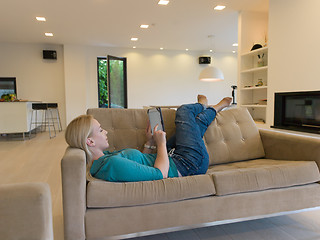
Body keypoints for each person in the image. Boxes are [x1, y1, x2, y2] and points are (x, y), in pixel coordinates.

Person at [65, 95, 232, 182]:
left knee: (193, 125)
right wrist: (161, 144)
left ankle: (212, 108)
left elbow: (140, 163)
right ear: (90, 142)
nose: (106, 132)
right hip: (190, 163)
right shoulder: (110, 165)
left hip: (175, 158)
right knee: (183, 112)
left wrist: (150, 142)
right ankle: (206, 106)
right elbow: (160, 174)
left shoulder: (103, 160)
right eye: (100, 130)